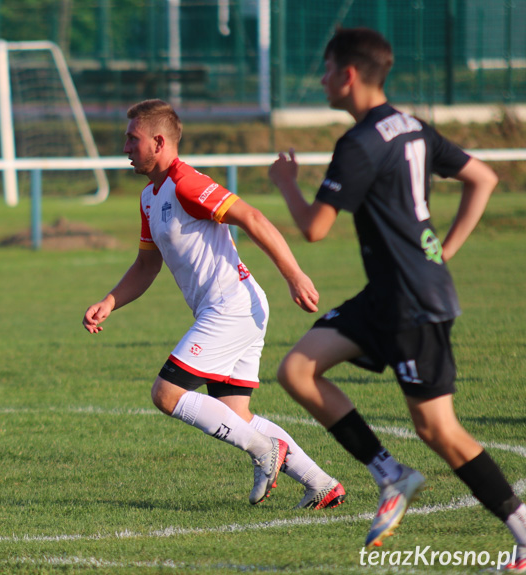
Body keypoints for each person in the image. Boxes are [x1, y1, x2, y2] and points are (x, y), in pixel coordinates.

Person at [268, 27, 526, 566]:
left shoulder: (360, 142)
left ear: (350, 74)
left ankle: (523, 531)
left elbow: (315, 228)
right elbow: (482, 178)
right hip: (387, 293)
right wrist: (443, 251)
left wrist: (287, 182)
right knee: (296, 371)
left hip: (413, 302)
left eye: (326, 67)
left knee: (438, 428)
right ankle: (392, 476)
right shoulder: (411, 126)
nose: (321, 79)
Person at [82, 99, 346, 510]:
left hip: (231, 307)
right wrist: (110, 302)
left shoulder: (187, 183)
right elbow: (146, 265)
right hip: (231, 308)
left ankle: (264, 451)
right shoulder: (150, 198)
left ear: (158, 141)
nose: (125, 147)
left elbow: (252, 218)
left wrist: (294, 275)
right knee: (234, 413)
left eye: (132, 139)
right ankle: (321, 483)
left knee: (167, 393)